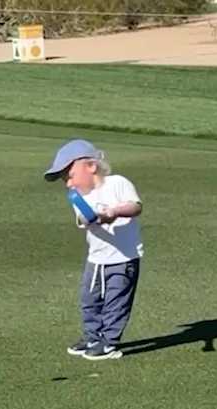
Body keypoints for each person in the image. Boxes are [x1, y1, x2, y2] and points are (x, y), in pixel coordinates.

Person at [44, 139, 144, 361]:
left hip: (124, 258)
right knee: (89, 300)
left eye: (69, 176)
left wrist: (115, 212)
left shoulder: (118, 183)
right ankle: (92, 337)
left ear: (90, 166)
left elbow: (135, 206)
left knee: (116, 301)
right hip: (96, 259)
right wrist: (95, 217)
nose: (68, 184)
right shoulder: (78, 198)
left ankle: (109, 342)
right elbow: (84, 218)